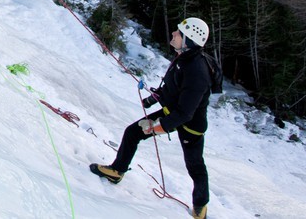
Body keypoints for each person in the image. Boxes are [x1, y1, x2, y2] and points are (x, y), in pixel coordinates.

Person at [90, 17, 215, 219]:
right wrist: (153, 99)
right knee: (132, 132)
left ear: (188, 41)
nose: (173, 34)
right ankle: (116, 171)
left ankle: (200, 206)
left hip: (190, 125)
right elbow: (173, 86)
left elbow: (186, 113)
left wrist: (157, 128)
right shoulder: (183, 58)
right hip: (171, 112)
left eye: (178, 33)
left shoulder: (197, 72)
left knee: (195, 165)